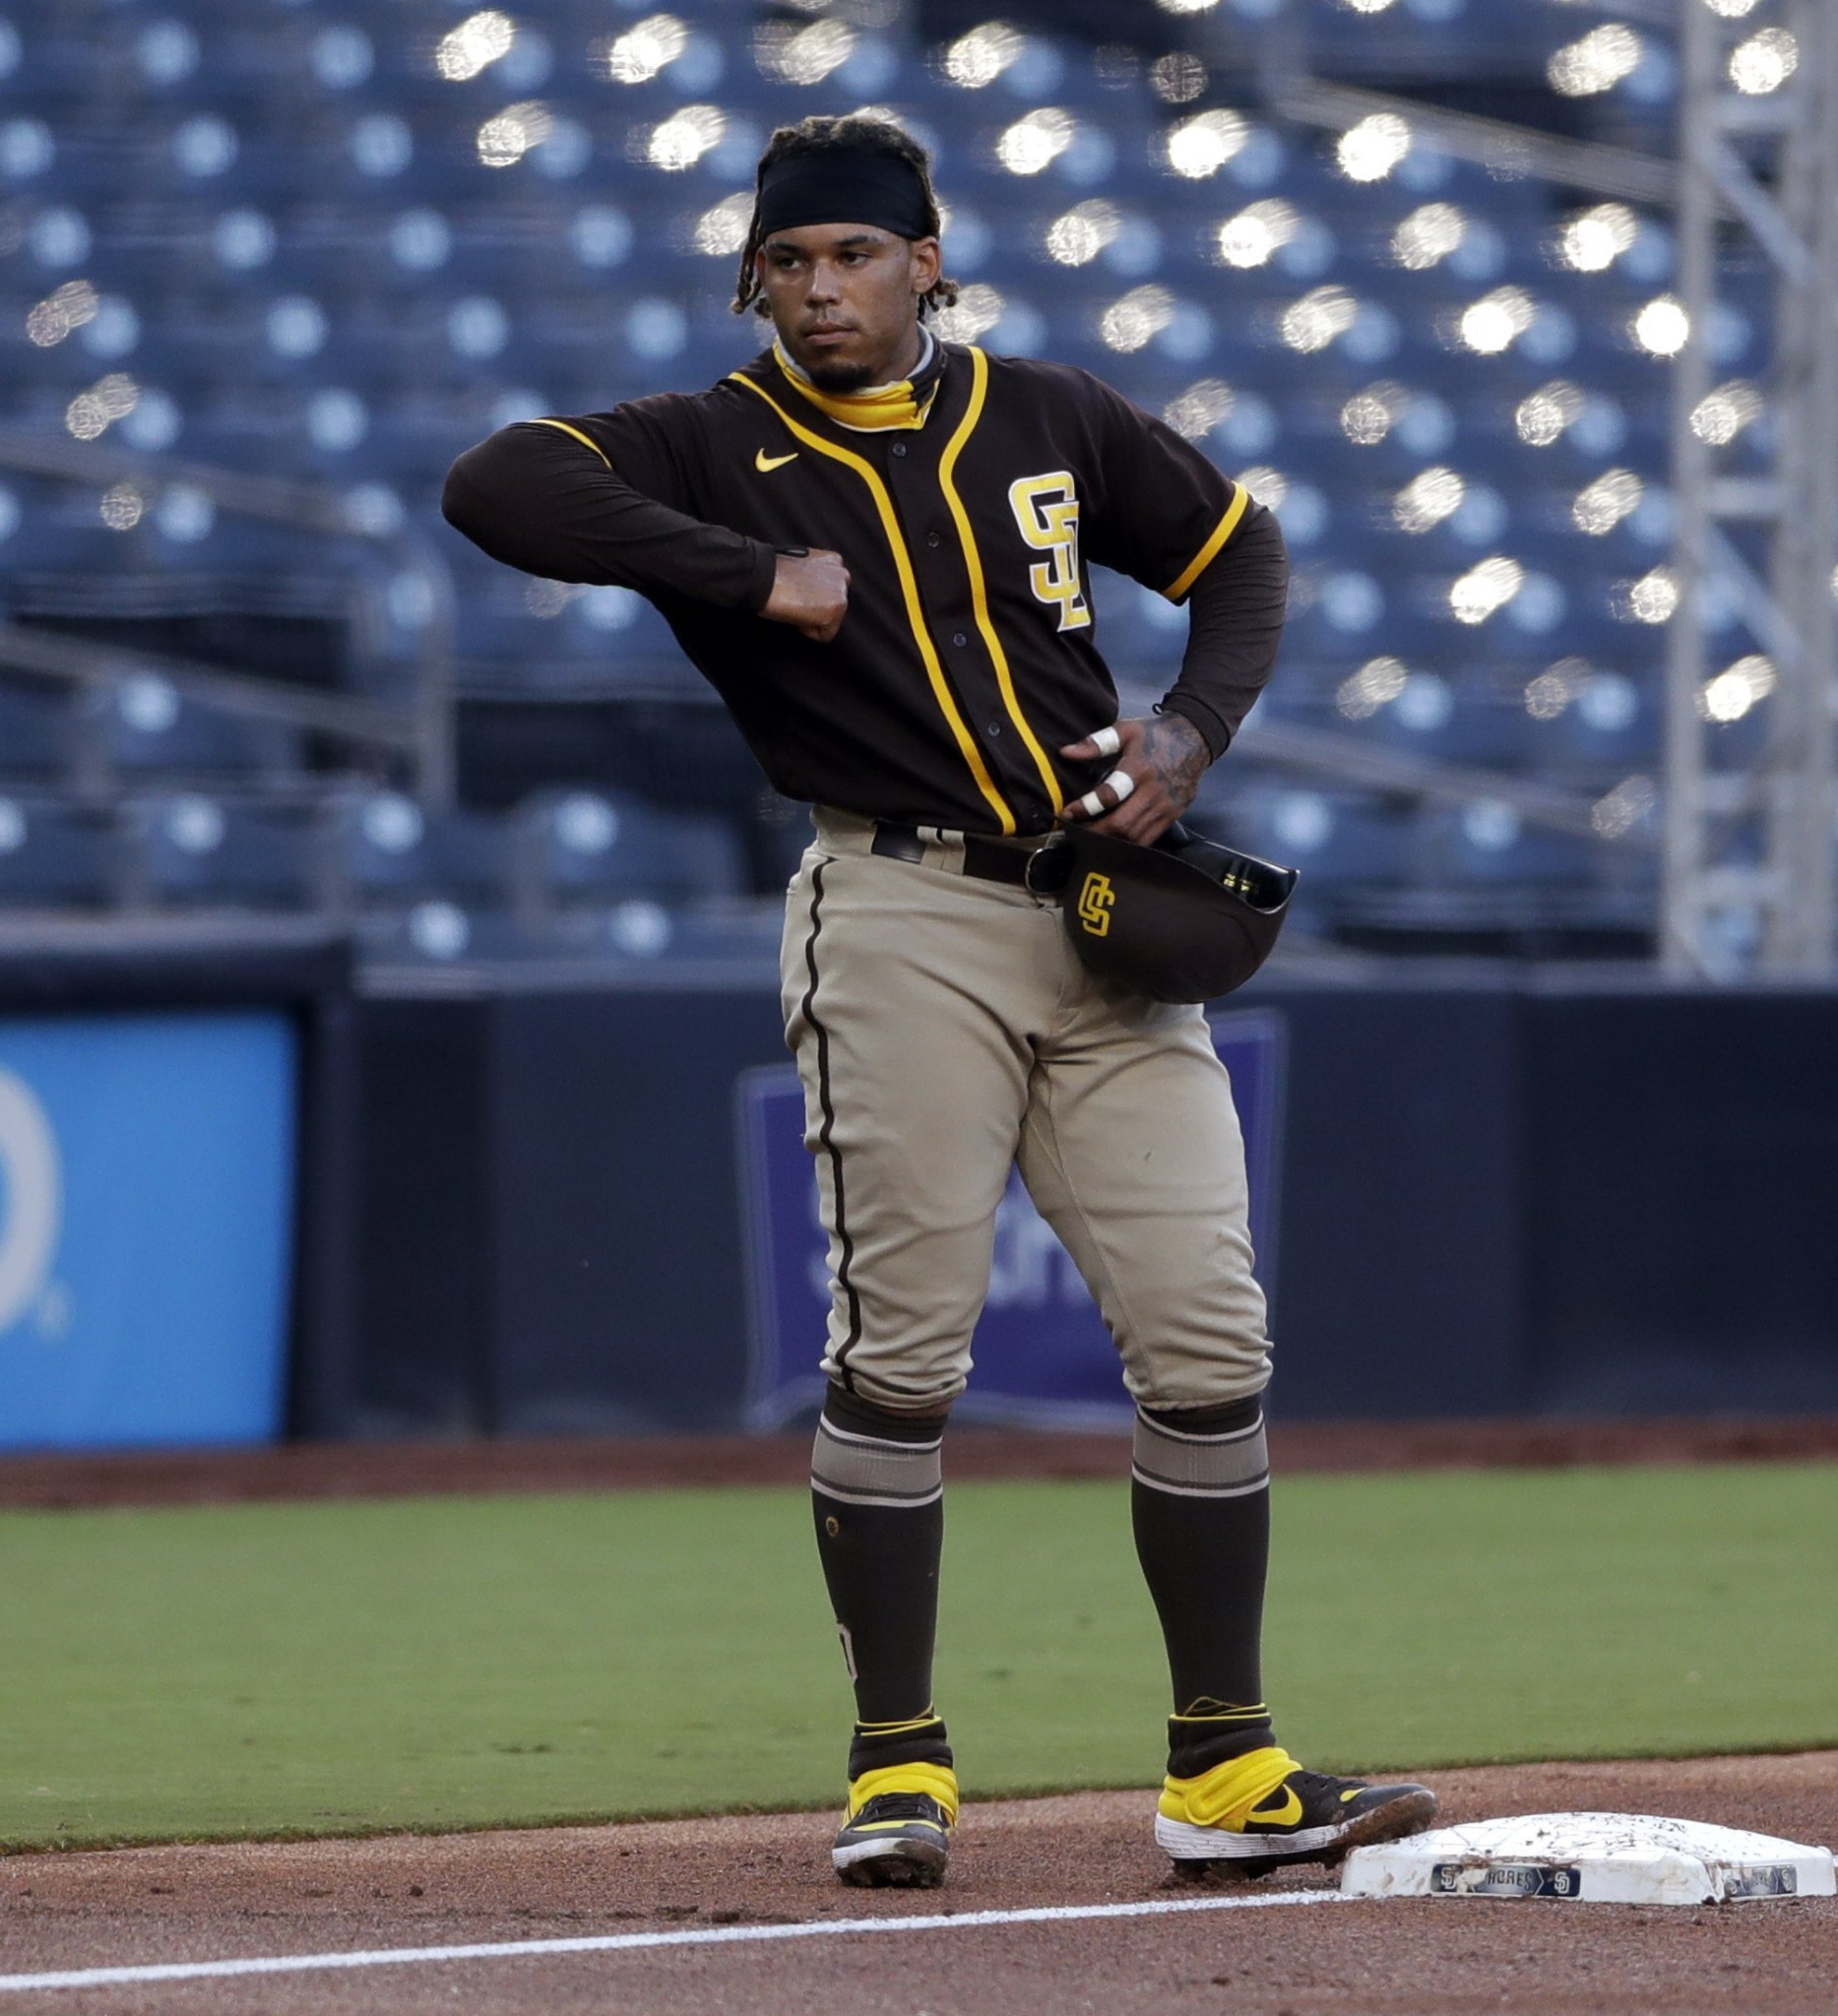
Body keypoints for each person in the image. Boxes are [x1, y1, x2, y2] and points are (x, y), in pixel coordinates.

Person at [441, 114, 1436, 1888]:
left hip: (1101, 906)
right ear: (754, 281)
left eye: (852, 256)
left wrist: (1191, 734)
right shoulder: (716, 441)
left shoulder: (1043, 413)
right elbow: (496, 484)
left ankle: (1223, 1768)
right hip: (894, 905)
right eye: (789, 262)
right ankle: (896, 1762)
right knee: (904, 1354)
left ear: (929, 263)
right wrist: (745, 574)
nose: (819, 288)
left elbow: (1241, 555)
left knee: (1210, 1337)